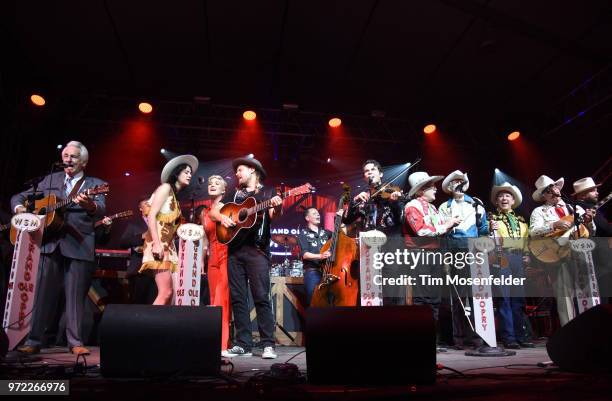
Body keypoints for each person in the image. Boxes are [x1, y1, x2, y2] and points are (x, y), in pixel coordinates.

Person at [12, 140, 106, 356]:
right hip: (50, 245)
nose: (68, 160)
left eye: (73, 157)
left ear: (84, 162)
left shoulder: (95, 184)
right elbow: (19, 196)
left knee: (74, 297)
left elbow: (100, 208)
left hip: (79, 244)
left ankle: (75, 342)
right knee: (42, 295)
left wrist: (89, 205)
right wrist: (19, 209)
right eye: (65, 155)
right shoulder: (50, 180)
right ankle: (34, 340)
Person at [210, 156, 280, 359]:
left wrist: (278, 204)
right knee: (239, 299)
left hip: (257, 251)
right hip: (234, 252)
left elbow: (275, 215)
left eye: (240, 170)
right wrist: (222, 217)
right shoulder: (233, 194)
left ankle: (268, 344)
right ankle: (243, 344)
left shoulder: (267, 193)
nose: (237, 174)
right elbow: (215, 210)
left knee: (261, 297)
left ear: (252, 170)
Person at [404, 171, 460, 351]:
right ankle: (421, 341)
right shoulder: (412, 206)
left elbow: (438, 229)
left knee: (434, 298)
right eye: (431, 186)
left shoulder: (433, 208)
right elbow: (421, 231)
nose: (435, 189)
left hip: (434, 255)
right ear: (421, 190)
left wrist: (450, 224)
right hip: (419, 255)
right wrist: (446, 225)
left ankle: (431, 340)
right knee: (421, 298)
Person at [529, 175, 594, 325]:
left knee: (586, 293)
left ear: (558, 189)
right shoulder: (539, 211)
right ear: (543, 195)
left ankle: (589, 330)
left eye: (554, 187)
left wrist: (590, 222)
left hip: (579, 253)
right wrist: (553, 225)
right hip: (557, 255)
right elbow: (533, 232)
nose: (552, 191)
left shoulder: (575, 208)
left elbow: (591, 231)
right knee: (564, 296)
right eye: (547, 190)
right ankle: (570, 334)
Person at [343, 159, 406, 304]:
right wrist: (354, 202)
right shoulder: (364, 198)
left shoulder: (391, 192)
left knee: (392, 289)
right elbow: (346, 220)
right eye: (366, 171)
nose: (369, 172)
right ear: (364, 177)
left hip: (391, 246)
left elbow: (400, 219)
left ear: (381, 173)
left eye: (373, 169)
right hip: (369, 248)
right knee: (370, 290)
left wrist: (394, 202)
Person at [139, 155, 198, 305]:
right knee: (165, 292)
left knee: (173, 294)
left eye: (190, 172)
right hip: (158, 243)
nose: (189, 175)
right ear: (176, 173)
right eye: (186, 171)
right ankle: (150, 328)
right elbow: (151, 215)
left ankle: (165, 327)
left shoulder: (174, 197)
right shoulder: (165, 188)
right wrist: (157, 244)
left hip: (169, 247)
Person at [489, 182, 534, 349]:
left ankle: (521, 335)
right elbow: (489, 241)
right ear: (496, 201)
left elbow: (526, 240)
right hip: (502, 257)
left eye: (507, 195)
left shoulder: (521, 220)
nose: (504, 198)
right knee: (504, 298)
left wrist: (527, 255)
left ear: (513, 199)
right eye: (500, 196)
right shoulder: (492, 218)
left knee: (518, 299)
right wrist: (489, 230)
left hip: (518, 259)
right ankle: (509, 337)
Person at [200, 175, 231, 357]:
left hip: (226, 255)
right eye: (210, 183)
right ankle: (214, 342)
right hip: (212, 257)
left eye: (217, 183)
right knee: (213, 300)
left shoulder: (226, 208)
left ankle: (223, 345)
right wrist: (202, 261)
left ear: (224, 189)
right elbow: (205, 238)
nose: (212, 185)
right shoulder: (205, 212)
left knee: (222, 299)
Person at [572, 177, 612, 304]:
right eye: (593, 190)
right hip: (599, 259)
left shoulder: (590, 207)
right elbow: (605, 228)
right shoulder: (583, 208)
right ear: (583, 194)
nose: (597, 193)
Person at [120, 198, 157, 304]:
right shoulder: (134, 224)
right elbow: (123, 243)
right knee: (138, 303)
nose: (150, 205)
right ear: (140, 208)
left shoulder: (159, 222)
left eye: (151, 202)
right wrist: (141, 236)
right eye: (146, 203)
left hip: (156, 270)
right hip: (138, 270)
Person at [297, 207, 332, 306]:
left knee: (330, 302)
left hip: (328, 271)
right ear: (307, 218)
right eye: (314, 213)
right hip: (313, 271)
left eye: (318, 213)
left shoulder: (326, 232)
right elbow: (305, 255)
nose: (318, 215)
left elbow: (340, 236)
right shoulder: (303, 234)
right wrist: (321, 256)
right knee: (313, 301)